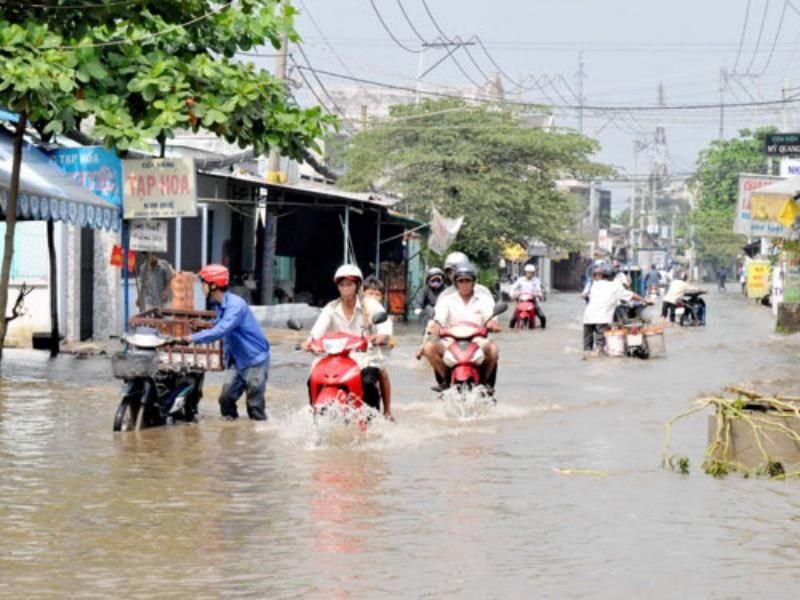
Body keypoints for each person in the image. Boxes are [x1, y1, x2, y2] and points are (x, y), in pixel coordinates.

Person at [302, 265, 393, 419]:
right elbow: (316, 332)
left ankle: (373, 418)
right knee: (312, 379)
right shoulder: (331, 308)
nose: (345, 288)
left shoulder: (369, 305)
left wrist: (380, 336)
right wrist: (308, 342)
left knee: (368, 382)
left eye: (349, 284)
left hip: (364, 357)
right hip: (336, 359)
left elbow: (384, 325)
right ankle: (314, 415)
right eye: (342, 285)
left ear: (357, 286)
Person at [181, 264, 270, 421]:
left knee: (254, 406)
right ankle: (231, 435)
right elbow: (218, 325)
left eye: (203, 283)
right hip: (237, 361)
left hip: (254, 359)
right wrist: (203, 325)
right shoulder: (220, 305)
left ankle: (255, 437)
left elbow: (222, 329)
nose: (201, 287)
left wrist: (192, 338)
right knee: (225, 399)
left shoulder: (235, 305)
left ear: (213, 285)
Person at [421, 263, 501, 391]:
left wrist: (492, 324)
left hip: (477, 340)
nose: (464, 284)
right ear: (456, 283)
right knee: (429, 348)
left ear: (473, 282)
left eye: (467, 281)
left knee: (493, 349)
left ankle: (485, 382)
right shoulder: (447, 300)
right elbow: (439, 318)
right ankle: (445, 380)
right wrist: (435, 326)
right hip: (451, 340)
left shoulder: (483, 299)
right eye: (461, 281)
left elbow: (490, 318)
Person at [583, 265, 645, 355]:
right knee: (600, 345)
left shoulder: (595, 284)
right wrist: (644, 300)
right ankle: (597, 362)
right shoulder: (615, 285)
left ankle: (587, 359)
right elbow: (631, 295)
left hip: (587, 317)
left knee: (587, 348)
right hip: (602, 318)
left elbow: (587, 296)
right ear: (613, 276)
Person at [362, 276, 394, 420]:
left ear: (382, 297)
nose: (373, 297)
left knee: (382, 372)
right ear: (363, 293)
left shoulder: (382, 314)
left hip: (375, 352)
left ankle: (387, 411)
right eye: (370, 293)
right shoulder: (356, 308)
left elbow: (385, 334)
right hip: (354, 353)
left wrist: (378, 339)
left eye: (377, 294)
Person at [509, 264, 547, 328]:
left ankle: (543, 327)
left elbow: (538, 289)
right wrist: (512, 294)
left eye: (531, 273)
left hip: (532, 302)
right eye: (528, 272)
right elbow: (513, 287)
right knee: (513, 319)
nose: (530, 274)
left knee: (542, 316)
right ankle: (511, 329)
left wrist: (540, 294)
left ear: (533, 273)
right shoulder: (520, 280)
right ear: (525, 272)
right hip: (521, 302)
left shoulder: (536, 280)